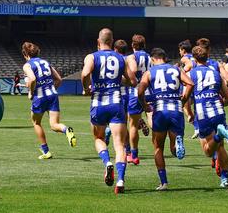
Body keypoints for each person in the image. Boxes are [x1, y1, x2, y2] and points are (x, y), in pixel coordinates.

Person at [81, 28, 136, 194]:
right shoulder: (121, 58)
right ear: (112, 43)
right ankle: (120, 180)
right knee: (120, 145)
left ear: (98, 42)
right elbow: (133, 81)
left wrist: (86, 88)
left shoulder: (92, 56)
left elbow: (84, 74)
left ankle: (107, 163)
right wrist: (118, 81)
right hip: (116, 104)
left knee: (98, 138)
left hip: (98, 103)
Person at [137, 48, 193, 190]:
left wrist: (144, 105)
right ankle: (177, 144)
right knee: (174, 149)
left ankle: (164, 183)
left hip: (160, 111)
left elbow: (140, 91)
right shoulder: (176, 69)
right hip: (176, 110)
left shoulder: (149, 73)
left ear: (153, 59)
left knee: (158, 148)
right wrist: (184, 98)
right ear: (164, 57)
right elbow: (190, 84)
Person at [187, 45, 228, 188]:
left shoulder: (191, 74)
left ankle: (219, 135)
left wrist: (189, 113)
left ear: (194, 59)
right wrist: (220, 102)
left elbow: (186, 98)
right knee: (221, 148)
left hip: (202, 113)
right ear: (207, 57)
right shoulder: (216, 73)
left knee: (208, 151)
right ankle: (225, 180)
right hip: (218, 111)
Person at [21, 42, 77, 159]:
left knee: (36, 123)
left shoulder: (27, 65)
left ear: (25, 54)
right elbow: (59, 79)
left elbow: (32, 79)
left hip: (40, 97)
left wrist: (31, 92)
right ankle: (66, 130)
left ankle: (46, 151)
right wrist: (51, 90)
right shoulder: (45, 62)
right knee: (54, 125)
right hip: (53, 96)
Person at [124, 34, 151, 165]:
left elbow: (134, 70)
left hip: (136, 91)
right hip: (149, 90)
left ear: (133, 45)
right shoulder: (150, 57)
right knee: (151, 117)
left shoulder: (132, 57)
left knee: (132, 124)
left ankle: (133, 154)